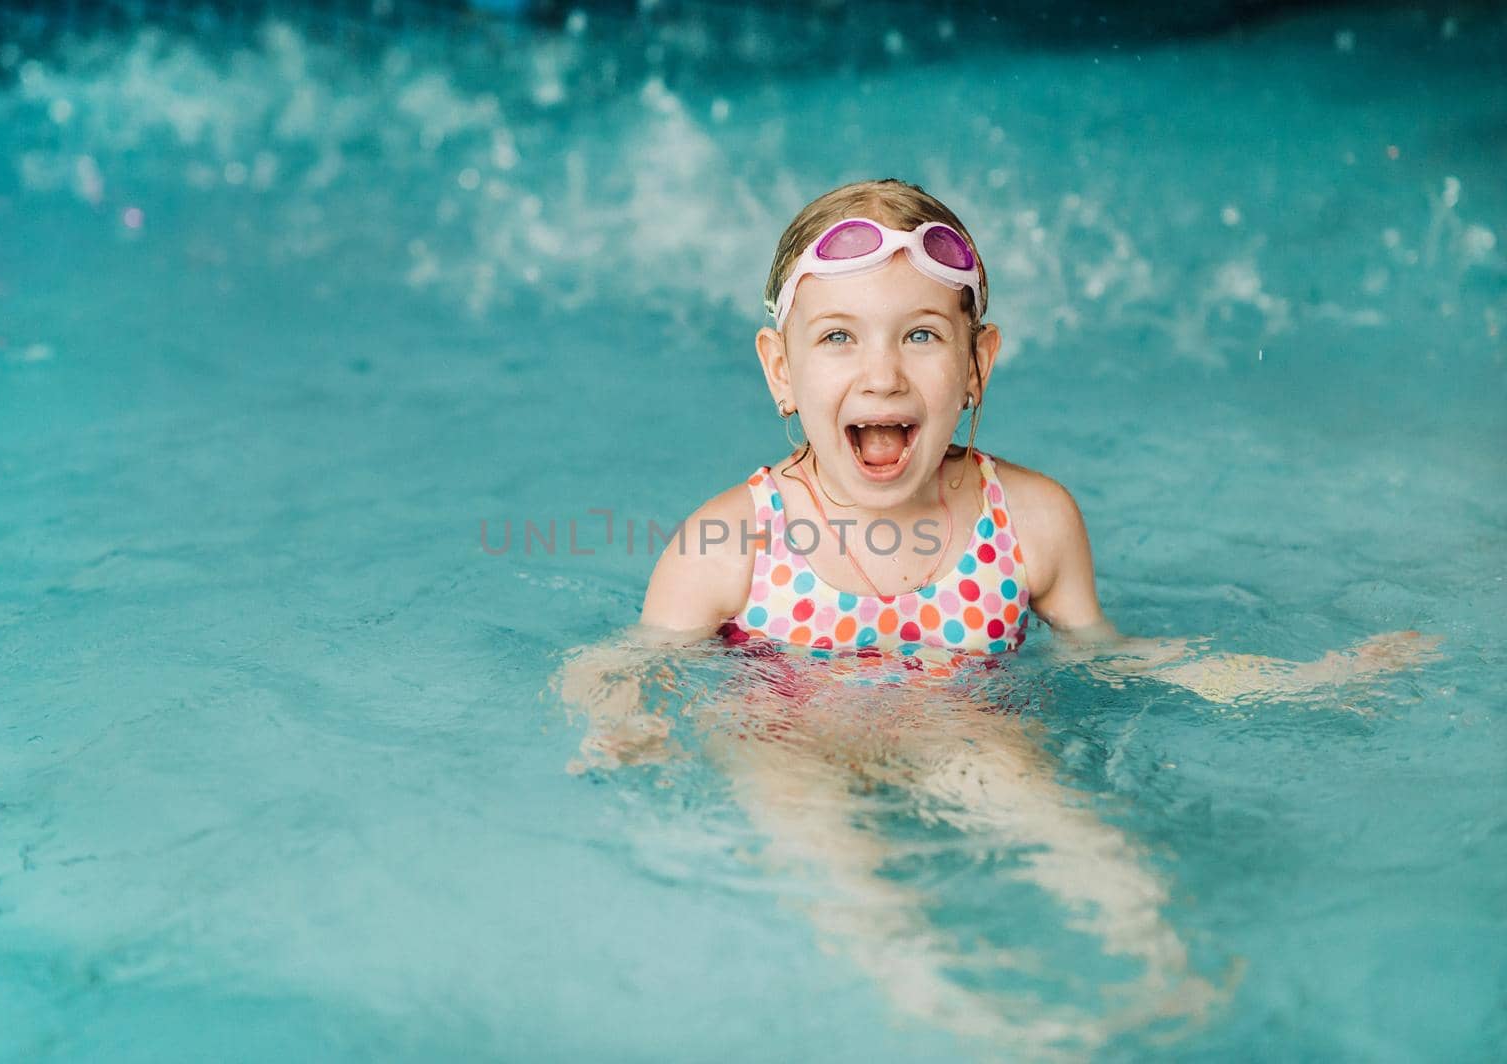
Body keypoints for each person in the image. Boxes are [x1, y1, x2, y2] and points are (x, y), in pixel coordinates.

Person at [556, 178, 1439, 1050]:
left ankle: (1170, 975)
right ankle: (963, 1017)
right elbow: (623, 661)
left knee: (1067, 825)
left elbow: (1113, 657)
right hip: (789, 738)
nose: (882, 372)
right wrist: (618, 722)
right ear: (781, 370)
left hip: (962, 725)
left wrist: (1302, 683)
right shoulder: (728, 541)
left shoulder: (1032, 522)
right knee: (845, 871)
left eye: (922, 335)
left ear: (977, 364)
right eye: (838, 337)